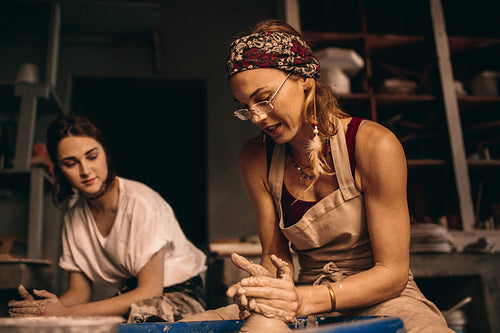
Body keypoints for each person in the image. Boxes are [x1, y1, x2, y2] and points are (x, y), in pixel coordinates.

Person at [184, 19, 453, 332]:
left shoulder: (373, 145)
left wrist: (304, 299)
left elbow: (392, 273)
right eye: (245, 106)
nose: (256, 116)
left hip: (384, 297)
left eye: (264, 98)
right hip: (303, 297)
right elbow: (275, 259)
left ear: (305, 79)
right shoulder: (256, 158)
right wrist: (267, 290)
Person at [8, 114, 207, 323]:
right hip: (133, 296)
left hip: (180, 294)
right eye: (70, 163)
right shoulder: (74, 219)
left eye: (92, 156)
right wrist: (45, 310)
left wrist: (64, 313)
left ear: (105, 153)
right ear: (59, 171)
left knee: (132, 322)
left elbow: (150, 291)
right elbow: (79, 293)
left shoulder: (142, 204)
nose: (85, 170)